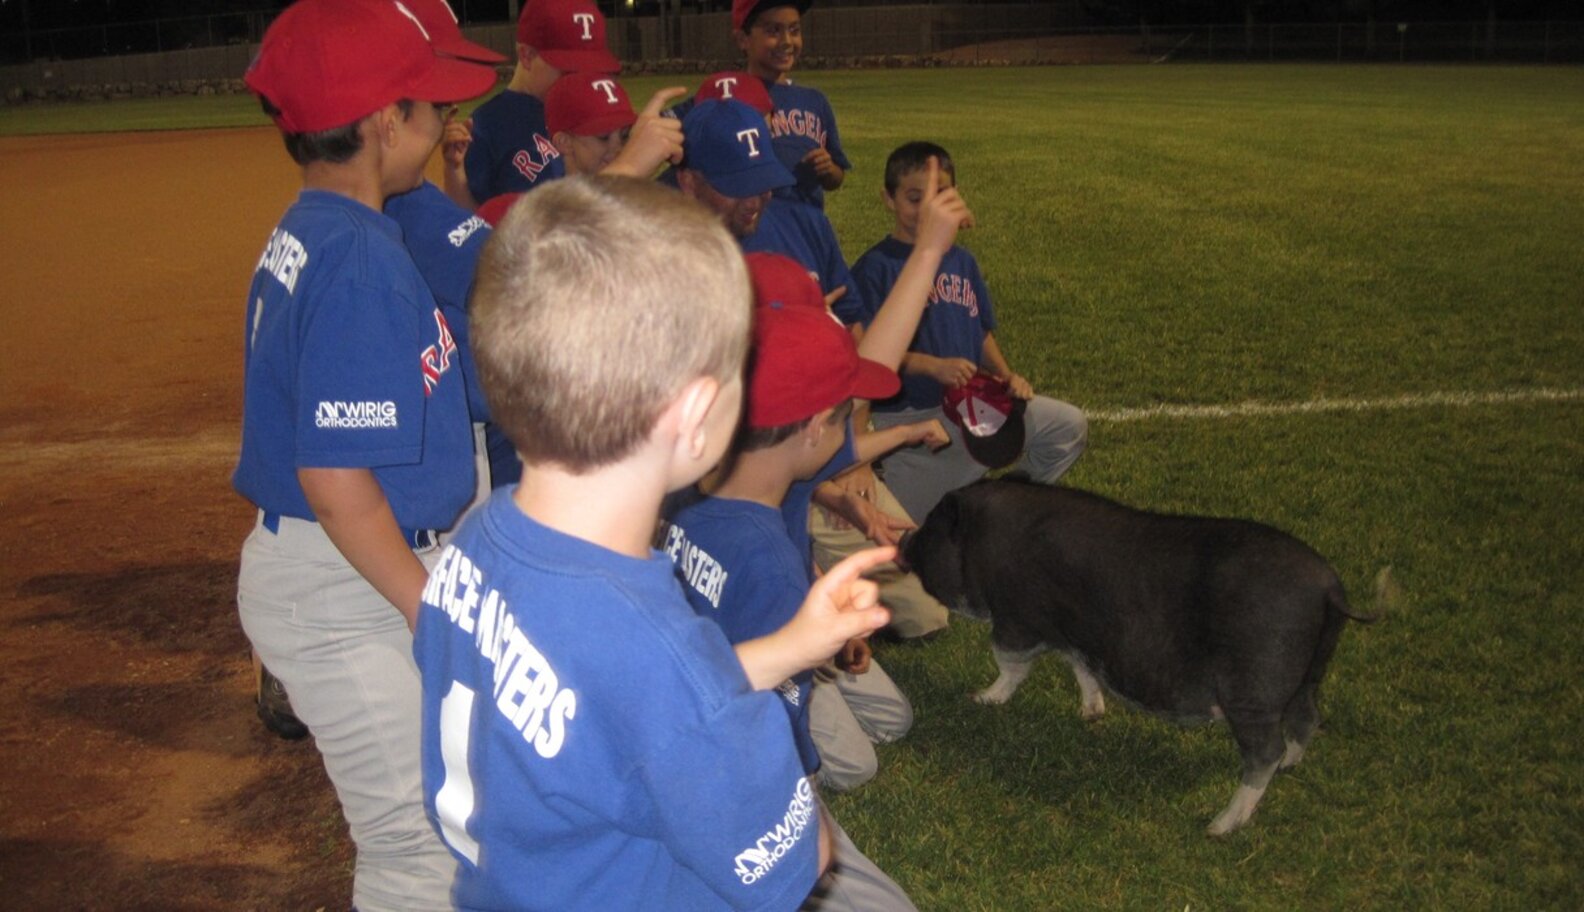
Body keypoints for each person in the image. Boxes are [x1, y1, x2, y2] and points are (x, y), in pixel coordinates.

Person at [413, 176, 894, 911]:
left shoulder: (483, 538)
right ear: (697, 415)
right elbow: (799, 857)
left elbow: (630, 703)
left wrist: (791, 646)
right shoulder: (651, 651)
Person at [233, 1, 497, 909]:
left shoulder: (325, 227)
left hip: (348, 566)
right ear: (387, 122)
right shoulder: (359, 262)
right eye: (428, 108)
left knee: (455, 817)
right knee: (415, 848)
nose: (441, 123)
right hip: (342, 584)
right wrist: (427, 609)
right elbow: (336, 477)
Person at [663, 253, 938, 908]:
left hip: (683, 718)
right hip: (729, 787)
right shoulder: (770, 562)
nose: (848, 432)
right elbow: (774, 740)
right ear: (814, 428)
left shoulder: (679, 485)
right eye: (845, 416)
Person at [676, 99, 958, 639]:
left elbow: (810, 431)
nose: (760, 197)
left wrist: (840, 490)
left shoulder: (754, 453)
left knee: (886, 699)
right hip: (755, 590)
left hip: (768, 524)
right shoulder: (686, 290)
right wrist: (926, 254)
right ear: (688, 181)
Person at [850, 141, 1089, 524]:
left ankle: (998, 508)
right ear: (888, 200)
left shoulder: (963, 261)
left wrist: (1007, 375)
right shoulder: (875, 268)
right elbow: (864, 360)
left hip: (976, 407)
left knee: (1066, 427)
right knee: (889, 522)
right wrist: (932, 366)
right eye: (915, 198)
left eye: (941, 194)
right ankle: (921, 484)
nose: (929, 208)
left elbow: (980, 333)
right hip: (914, 420)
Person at [448, 0, 618, 210]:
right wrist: (454, 173)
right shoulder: (488, 125)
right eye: (568, 70)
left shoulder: (593, 114)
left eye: (589, 69)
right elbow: (473, 220)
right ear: (526, 56)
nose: (580, 79)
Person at [732, 0, 850, 210]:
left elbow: (837, 177)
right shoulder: (731, 100)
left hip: (806, 228)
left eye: (794, 30)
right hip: (756, 227)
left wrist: (828, 168)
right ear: (743, 39)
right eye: (773, 30)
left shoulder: (814, 101)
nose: (787, 41)